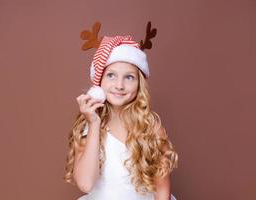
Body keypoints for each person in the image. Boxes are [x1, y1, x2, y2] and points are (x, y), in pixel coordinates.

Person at [64, 35, 178, 200]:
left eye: (129, 77)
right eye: (111, 75)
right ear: (99, 81)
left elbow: (162, 190)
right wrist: (94, 124)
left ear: (139, 84)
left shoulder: (151, 128)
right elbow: (86, 184)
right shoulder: (89, 128)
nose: (119, 85)